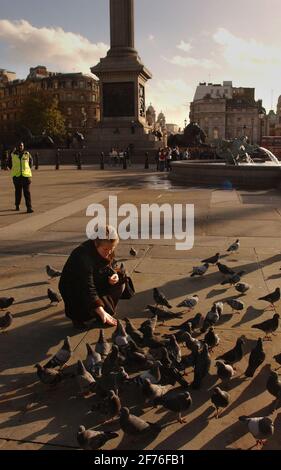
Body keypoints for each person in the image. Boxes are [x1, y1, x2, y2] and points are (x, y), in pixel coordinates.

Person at [59, 226, 126, 329]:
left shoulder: (106, 248)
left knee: (122, 279)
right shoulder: (82, 255)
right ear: (96, 244)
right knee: (84, 311)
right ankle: (85, 316)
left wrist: (115, 274)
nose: (109, 252)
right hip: (74, 289)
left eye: (112, 249)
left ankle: (104, 312)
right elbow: (86, 285)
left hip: (94, 282)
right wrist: (99, 309)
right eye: (105, 249)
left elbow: (112, 264)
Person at [8, 142, 33, 213]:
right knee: (18, 192)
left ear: (23, 146)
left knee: (27, 192)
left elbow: (31, 163)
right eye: (19, 146)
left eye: (22, 146)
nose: (20, 147)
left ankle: (29, 207)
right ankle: (17, 205)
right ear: (16, 146)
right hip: (17, 176)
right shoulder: (13, 155)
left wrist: (27, 169)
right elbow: (9, 164)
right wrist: (14, 169)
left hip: (26, 176)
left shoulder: (27, 154)